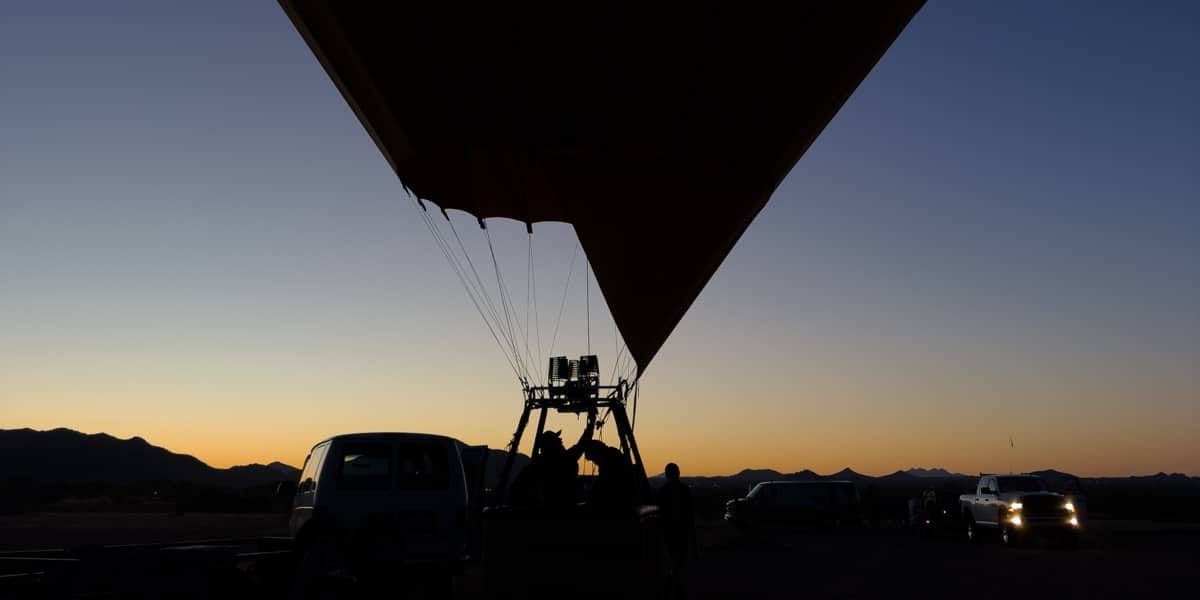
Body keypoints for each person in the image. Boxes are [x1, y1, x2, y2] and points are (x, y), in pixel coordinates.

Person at [521, 415, 595, 507]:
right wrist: (591, 425)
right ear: (553, 444)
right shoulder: (565, 458)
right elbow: (581, 445)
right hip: (565, 504)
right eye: (558, 441)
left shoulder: (538, 462)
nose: (561, 442)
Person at [657, 462, 697, 600]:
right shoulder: (683, 490)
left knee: (676, 561)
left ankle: (672, 586)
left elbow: (661, 513)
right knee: (677, 561)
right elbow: (689, 513)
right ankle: (675, 588)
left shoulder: (664, 491)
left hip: (673, 532)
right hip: (679, 532)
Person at [583, 440, 637, 509]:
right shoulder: (610, 455)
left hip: (620, 502)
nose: (594, 462)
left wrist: (590, 498)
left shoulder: (608, 461)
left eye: (593, 459)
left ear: (596, 454)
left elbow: (602, 485)